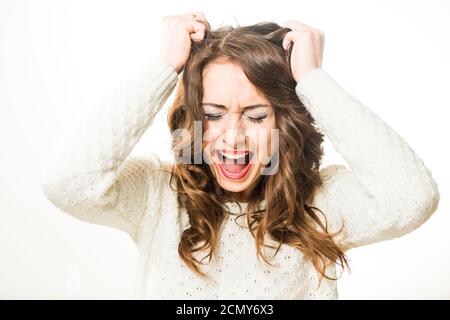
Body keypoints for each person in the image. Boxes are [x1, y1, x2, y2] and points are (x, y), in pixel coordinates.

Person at [40, 12, 440, 299]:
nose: (233, 138)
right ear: (193, 118)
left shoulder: (322, 201)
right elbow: (67, 183)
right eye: (213, 115)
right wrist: (165, 67)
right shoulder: (156, 194)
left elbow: (410, 198)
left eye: (257, 115)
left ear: (285, 123)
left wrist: (314, 81)